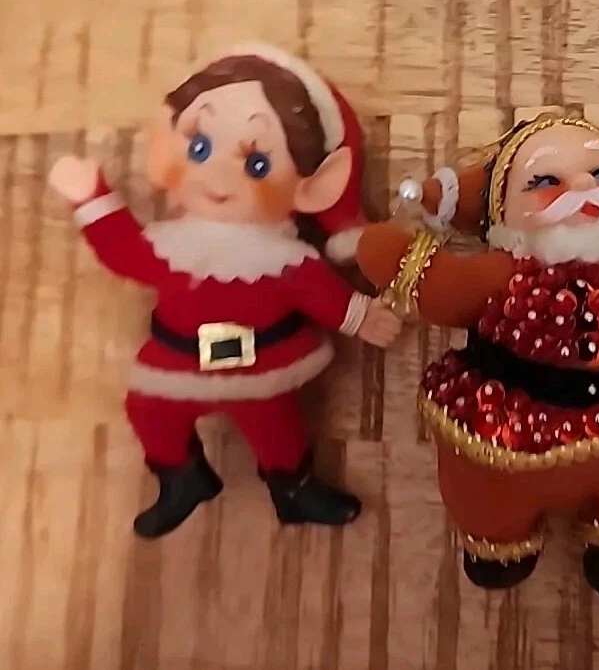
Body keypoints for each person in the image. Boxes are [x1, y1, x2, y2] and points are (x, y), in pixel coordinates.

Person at [356, 111, 599, 605]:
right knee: (486, 486)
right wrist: (392, 250)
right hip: (509, 437)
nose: (585, 188)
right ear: (503, 218)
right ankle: (497, 543)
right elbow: (437, 285)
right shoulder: (501, 277)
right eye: (546, 181)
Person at [48, 43, 402, 539]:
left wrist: (362, 316)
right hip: (175, 363)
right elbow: (123, 253)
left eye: (256, 164)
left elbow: (323, 295)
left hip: (261, 367)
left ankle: (294, 489)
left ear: (313, 186)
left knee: (275, 427)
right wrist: (92, 198)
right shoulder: (171, 246)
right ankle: (181, 478)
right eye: (199, 147)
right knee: (149, 411)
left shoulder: (285, 261)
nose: (217, 176)